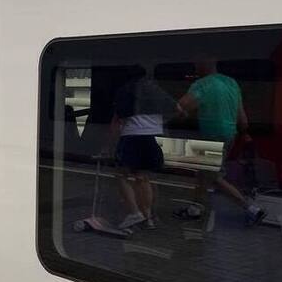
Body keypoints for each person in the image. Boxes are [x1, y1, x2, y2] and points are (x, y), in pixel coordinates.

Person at [176, 59, 266, 226]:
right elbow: (243, 119)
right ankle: (195, 209)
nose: (194, 68)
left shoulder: (201, 84)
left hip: (212, 134)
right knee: (204, 173)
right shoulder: (231, 83)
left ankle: (252, 209)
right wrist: (244, 133)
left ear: (202, 66)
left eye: (196, 65)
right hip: (229, 135)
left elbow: (182, 106)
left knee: (213, 177)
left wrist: (182, 114)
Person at [111, 67, 180, 229]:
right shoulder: (155, 90)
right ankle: (148, 218)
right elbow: (178, 110)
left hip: (132, 136)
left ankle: (134, 213)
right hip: (154, 137)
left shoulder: (125, 90)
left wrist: (109, 145)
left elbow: (117, 121)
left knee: (121, 174)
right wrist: (161, 122)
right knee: (143, 177)